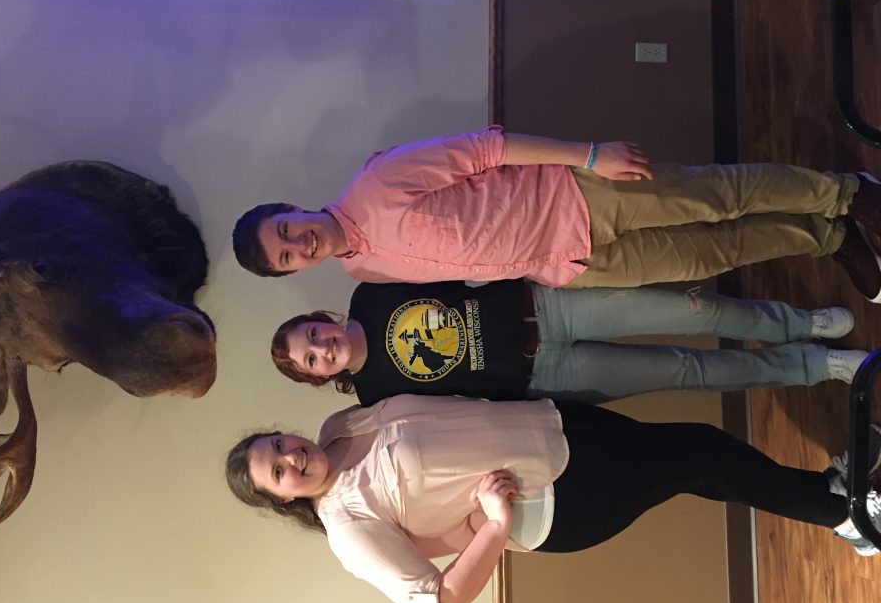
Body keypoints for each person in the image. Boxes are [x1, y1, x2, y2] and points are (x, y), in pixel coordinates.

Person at [225, 394, 881, 603]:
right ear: (282, 498)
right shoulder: (346, 528)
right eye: (277, 473)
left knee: (694, 466)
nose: (291, 458)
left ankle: (828, 495)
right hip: (558, 498)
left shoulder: (340, 424)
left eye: (278, 445)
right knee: (701, 451)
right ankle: (846, 515)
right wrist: (496, 525)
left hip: (556, 427)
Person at [231, 127, 881, 301]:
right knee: (714, 255)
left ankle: (847, 193)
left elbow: (487, 148)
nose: (300, 243)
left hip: (578, 196)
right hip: (571, 265)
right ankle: (828, 237)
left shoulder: (376, 181)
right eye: (288, 257)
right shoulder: (361, 272)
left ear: (291, 208)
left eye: (286, 230)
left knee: (718, 196)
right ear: (294, 271)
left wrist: (591, 156)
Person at [269, 280, 868, 405]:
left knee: (695, 308)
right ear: (320, 376)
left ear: (319, 319)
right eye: (311, 360)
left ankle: (798, 322)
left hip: (548, 304)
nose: (322, 348)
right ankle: (816, 364)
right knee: (688, 370)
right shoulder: (375, 396)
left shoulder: (371, 293)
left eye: (312, 335)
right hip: (547, 374)